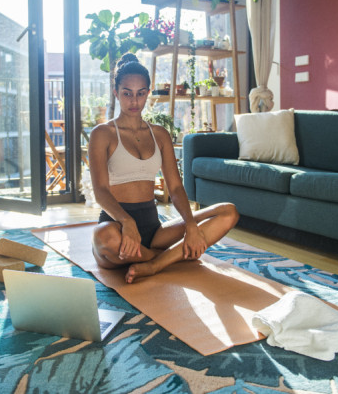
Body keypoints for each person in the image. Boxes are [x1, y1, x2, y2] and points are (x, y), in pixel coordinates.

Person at [89, 53, 239, 284]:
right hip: (117, 228)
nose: (134, 101)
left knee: (228, 212)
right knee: (104, 238)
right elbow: (100, 190)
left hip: (154, 231)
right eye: (127, 93)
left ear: (148, 93)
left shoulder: (159, 134)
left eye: (140, 93)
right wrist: (127, 223)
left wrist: (190, 225)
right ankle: (174, 257)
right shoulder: (102, 134)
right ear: (116, 92)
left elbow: (176, 187)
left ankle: (154, 264)